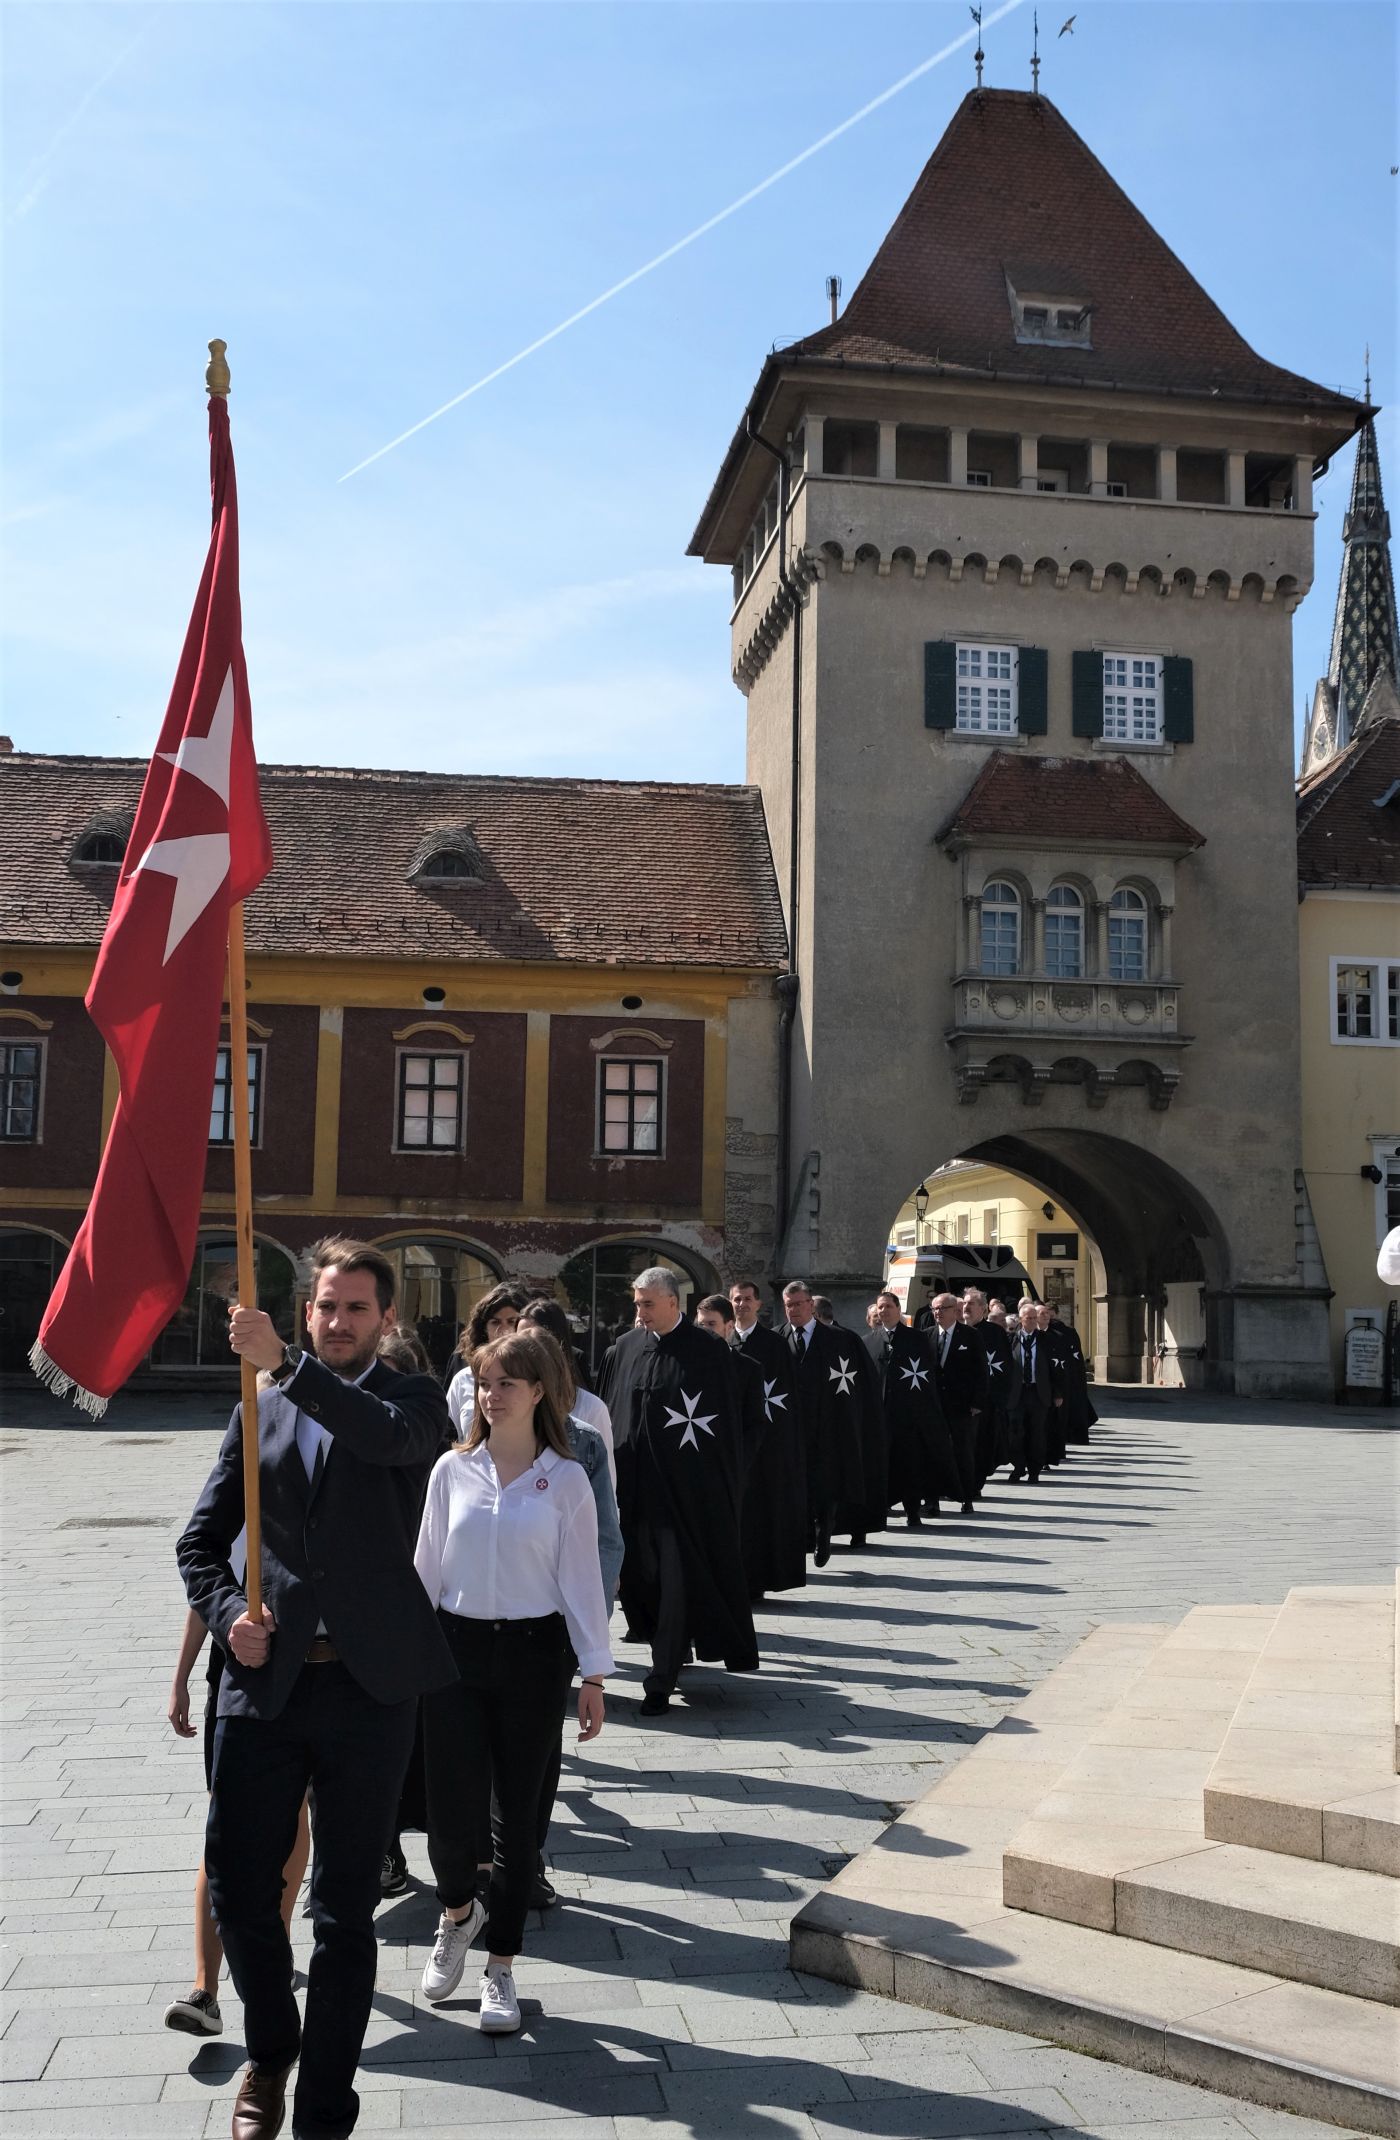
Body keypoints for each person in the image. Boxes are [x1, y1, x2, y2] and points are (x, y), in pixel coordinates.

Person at [177, 1238, 457, 2140]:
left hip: (370, 1690)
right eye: (326, 1307)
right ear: (307, 1310)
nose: (339, 1322)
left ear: (385, 1320)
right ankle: (270, 2049)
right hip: (265, 1684)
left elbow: (381, 1440)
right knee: (236, 1881)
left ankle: (325, 2109)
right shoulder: (255, 1407)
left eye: (356, 1310)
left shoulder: (413, 1400)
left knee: (344, 1911)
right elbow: (198, 1543)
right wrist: (227, 1619)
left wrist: (290, 1368)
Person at [414, 1331, 611, 2032]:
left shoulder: (566, 1479)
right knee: (448, 1813)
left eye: (505, 1384)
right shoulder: (450, 1470)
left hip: (534, 1655)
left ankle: (502, 1965)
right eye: (482, 1382)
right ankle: (457, 1915)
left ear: (538, 1392)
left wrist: (594, 1672)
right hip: (453, 1653)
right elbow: (425, 1571)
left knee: (518, 1824)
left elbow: (582, 1581)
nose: (490, 1396)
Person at [598, 1268, 757, 1716]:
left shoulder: (708, 1352)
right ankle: (666, 1652)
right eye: (637, 1303)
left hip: (684, 1497)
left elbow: (724, 1431)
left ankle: (661, 1677)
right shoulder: (624, 1349)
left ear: (674, 1303)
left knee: (674, 1581)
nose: (639, 1312)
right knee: (641, 1582)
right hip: (631, 1494)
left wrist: (716, 1493)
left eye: (647, 1303)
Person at [163, 1598, 311, 2039]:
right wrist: (180, 1678)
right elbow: (202, 1589)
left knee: (293, 1806)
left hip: (300, 1668)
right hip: (232, 1672)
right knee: (223, 1820)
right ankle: (204, 1989)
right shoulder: (228, 1524)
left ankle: (277, 1947)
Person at [729, 1278, 806, 1598]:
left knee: (761, 1512)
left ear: (759, 1305)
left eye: (748, 1299)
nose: (742, 1304)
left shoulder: (774, 1345)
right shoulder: (723, 1341)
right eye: (736, 1299)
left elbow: (786, 1396)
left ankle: (758, 1580)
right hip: (731, 1442)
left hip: (767, 1444)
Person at [780, 1279, 865, 1568]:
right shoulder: (779, 1339)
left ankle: (823, 1531)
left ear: (810, 1305)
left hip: (828, 1424)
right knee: (798, 1483)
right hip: (792, 1426)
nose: (793, 1310)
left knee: (826, 1483)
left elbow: (854, 1382)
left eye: (798, 1304)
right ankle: (805, 1533)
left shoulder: (836, 1339)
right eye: (788, 1305)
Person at [866, 1290, 948, 1527]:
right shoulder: (869, 1341)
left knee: (910, 1464)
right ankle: (881, 1510)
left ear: (898, 1309)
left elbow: (929, 1375)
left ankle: (912, 1511)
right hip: (881, 1416)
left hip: (910, 1415)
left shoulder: (917, 1339)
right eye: (880, 1307)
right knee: (882, 1466)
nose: (883, 1311)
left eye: (888, 1306)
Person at [519, 1297, 616, 1487]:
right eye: (517, 1340)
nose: (521, 1350)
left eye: (530, 1341)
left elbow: (606, 1485)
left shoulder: (591, 1408)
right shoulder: (510, 1403)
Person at [927, 1292, 987, 1515]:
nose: (937, 1313)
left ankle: (965, 1496)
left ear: (955, 1310)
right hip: (934, 1406)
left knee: (963, 1452)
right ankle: (932, 1500)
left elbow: (981, 1372)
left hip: (962, 1406)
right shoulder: (927, 1336)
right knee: (933, 1452)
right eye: (934, 1309)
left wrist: (977, 1402)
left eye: (942, 1308)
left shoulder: (971, 1336)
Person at [445, 1283, 531, 1434]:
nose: (504, 1330)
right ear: (484, 1328)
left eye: (512, 1321)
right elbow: (449, 1434)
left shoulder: (536, 1378)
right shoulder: (463, 1379)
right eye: (495, 1322)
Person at [962, 1290, 1019, 1489]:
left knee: (982, 1444)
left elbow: (1005, 1368)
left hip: (987, 1402)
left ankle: (975, 1484)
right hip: (959, 1400)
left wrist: (999, 1399)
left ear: (983, 1309)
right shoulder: (957, 1330)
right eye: (965, 1302)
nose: (966, 1307)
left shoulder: (994, 1333)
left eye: (972, 1303)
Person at [1011, 1300, 1054, 1483]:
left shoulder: (1045, 1339)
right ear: (1021, 1319)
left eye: (1035, 1318)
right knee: (1016, 1432)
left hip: (1038, 1392)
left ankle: (1034, 1470)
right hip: (1017, 1393)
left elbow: (1055, 1369)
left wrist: (1057, 1393)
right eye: (1029, 1318)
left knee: (1036, 1433)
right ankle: (1018, 1467)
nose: (1033, 1321)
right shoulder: (1011, 1339)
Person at [1045, 1304, 1097, 1446]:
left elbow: (1075, 1357)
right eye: (1045, 1315)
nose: (1048, 1318)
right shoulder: (1044, 1332)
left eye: (1050, 1314)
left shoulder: (1067, 1332)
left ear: (1056, 1314)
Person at [1035, 1304, 1072, 1464]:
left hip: (1050, 1388)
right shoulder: (1027, 1336)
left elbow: (1060, 1366)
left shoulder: (1056, 1337)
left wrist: (1058, 1392)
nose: (1045, 1316)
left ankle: (1047, 1456)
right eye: (1041, 1313)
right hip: (1031, 1387)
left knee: (1049, 1424)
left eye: (1046, 1314)